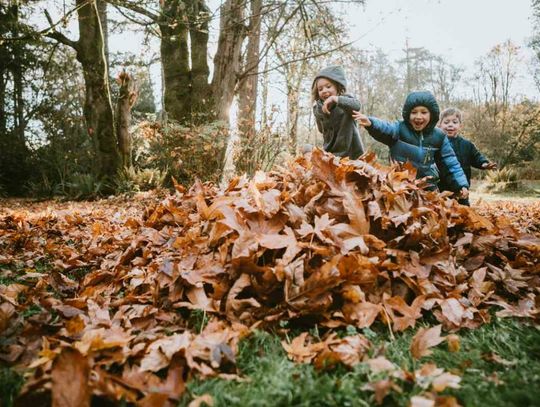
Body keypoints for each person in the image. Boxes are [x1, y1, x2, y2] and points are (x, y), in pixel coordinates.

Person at [352, 90, 469, 197]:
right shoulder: (399, 129)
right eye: (414, 112)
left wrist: (461, 184)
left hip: (427, 186)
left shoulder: (439, 136)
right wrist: (371, 123)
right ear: (408, 114)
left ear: (431, 115)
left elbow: (450, 162)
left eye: (424, 112)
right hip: (400, 184)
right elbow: (385, 127)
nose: (418, 117)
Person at [437, 107, 497, 205]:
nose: (450, 125)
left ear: (460, 125)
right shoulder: (437, 144)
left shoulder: (467, 145)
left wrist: (484, 163)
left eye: (454, 122)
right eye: (446, 122)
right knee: (442, 211)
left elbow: (476, 157)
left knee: (463, 211)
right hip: (442, 187)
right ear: (439, 125)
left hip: (462, 188)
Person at [312, 65, 365, 159]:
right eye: (320, 89)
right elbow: (321, 129)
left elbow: (357, 106)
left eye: (328, 86)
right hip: (331, 154)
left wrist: (335, 99)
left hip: (351, 154)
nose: (324, 91)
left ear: (337, 86)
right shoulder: (317, 109)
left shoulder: (345, 101)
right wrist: (322, 114)